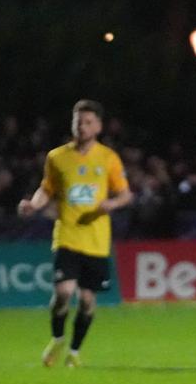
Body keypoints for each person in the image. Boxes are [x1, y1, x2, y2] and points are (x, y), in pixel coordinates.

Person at [18, 100, 132, 368]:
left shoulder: (108, 158)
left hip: (96, 240)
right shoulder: (57, 157)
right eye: (78, 121)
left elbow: (126, 194)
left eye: (88, 122)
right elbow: (47, 188)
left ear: (99, 126)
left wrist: (111, 204)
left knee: (88, 301)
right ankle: (57, 338)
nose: (82, 126)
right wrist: (34, 204)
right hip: (67, 235)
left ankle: (74, 351)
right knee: (63, 292)